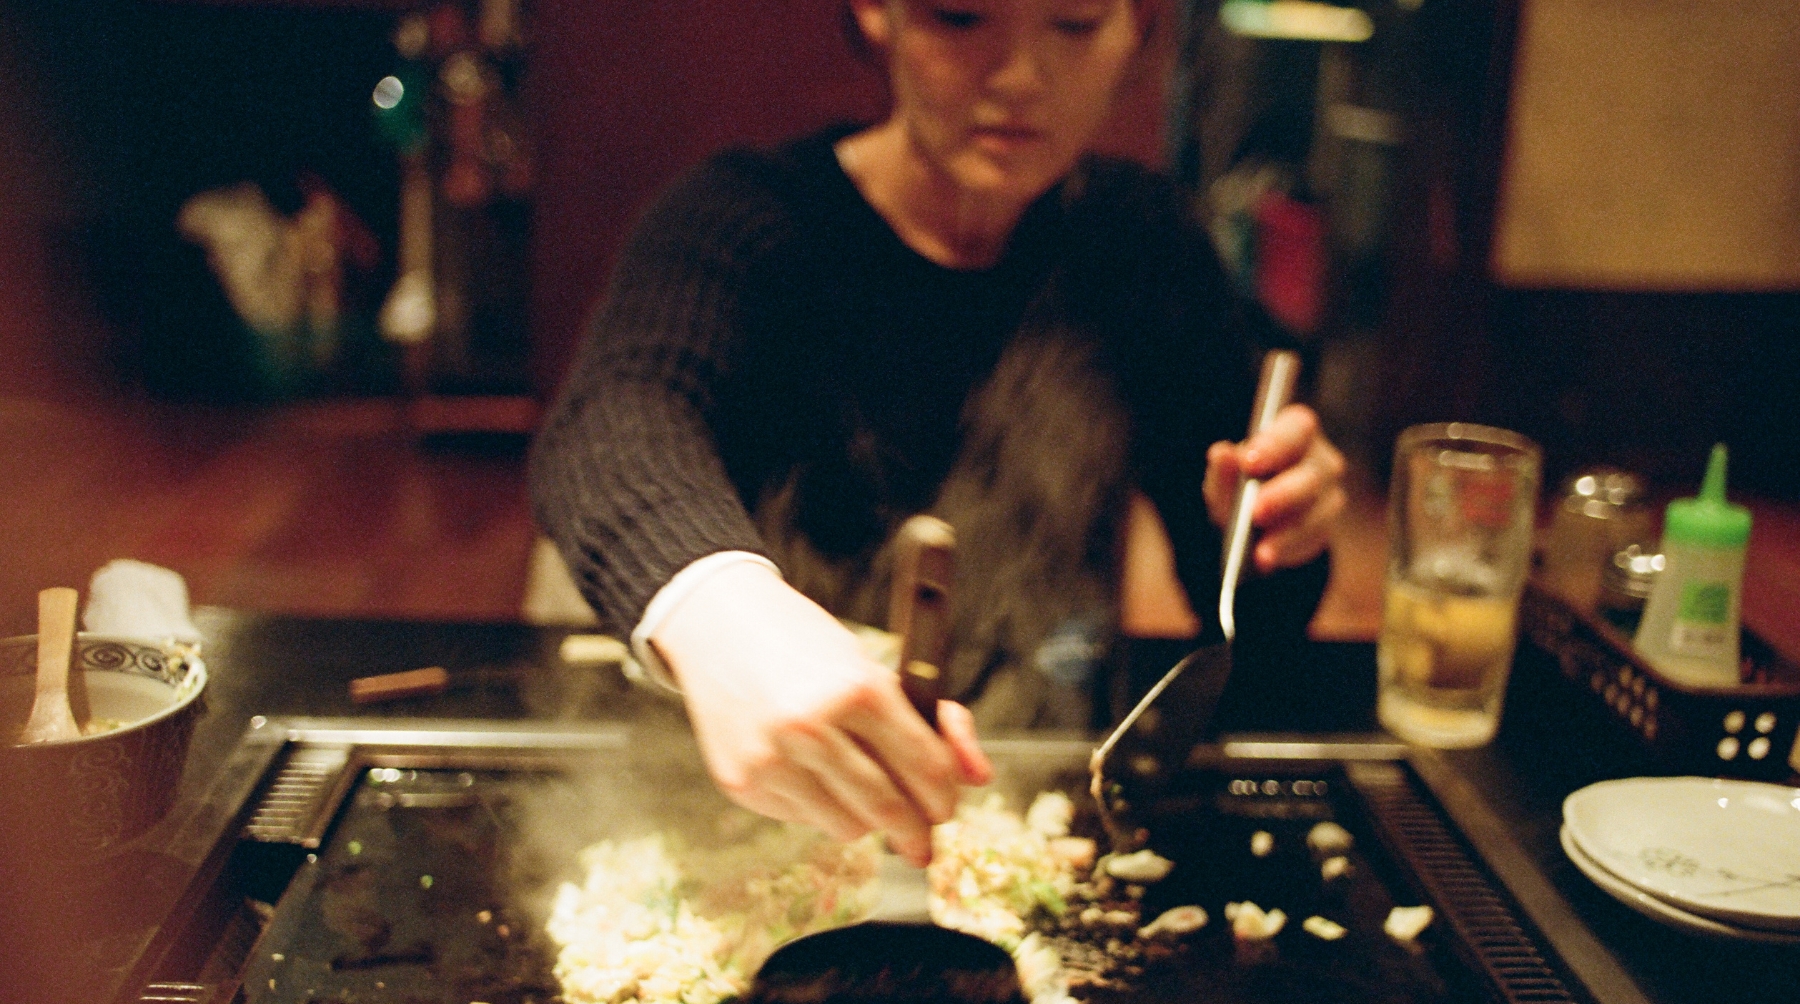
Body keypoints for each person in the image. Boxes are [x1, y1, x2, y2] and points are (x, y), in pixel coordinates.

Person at [531, 0, 1346, 870]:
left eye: (1072, 26)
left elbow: (1248, 633)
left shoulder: (1142, 244)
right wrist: (718, 613)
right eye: (960, 19)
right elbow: (616, 415)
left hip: (1041, 808)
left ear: (1135, 33)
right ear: (877, 14)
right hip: (742, 818)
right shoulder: (743, 219)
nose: (1020, 79)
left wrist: (1275, 535)